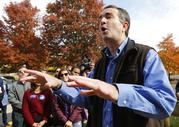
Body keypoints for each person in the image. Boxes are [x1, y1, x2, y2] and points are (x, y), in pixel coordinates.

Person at [21, 5, 176, 127]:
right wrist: (57, 84)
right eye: (100, 18)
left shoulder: (146, 55)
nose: (101, 21)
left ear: (124, 25)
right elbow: (84, 96)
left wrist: (116, 92)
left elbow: (165, 103)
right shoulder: (101, 63)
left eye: (108, 16)